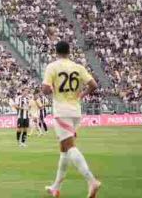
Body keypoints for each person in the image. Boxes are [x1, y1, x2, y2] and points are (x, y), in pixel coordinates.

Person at [43, 41, 101, 198]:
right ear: (69, 51)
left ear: (56, 52)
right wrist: (81, 95)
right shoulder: (78, 67)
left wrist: (51, 88)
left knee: (69, 147)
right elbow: (94, 85)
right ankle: (56, 187)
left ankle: (92, 180)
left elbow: (45, 89)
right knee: (64, 149)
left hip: (62, 111)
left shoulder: (52, 67)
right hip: (75, 111)